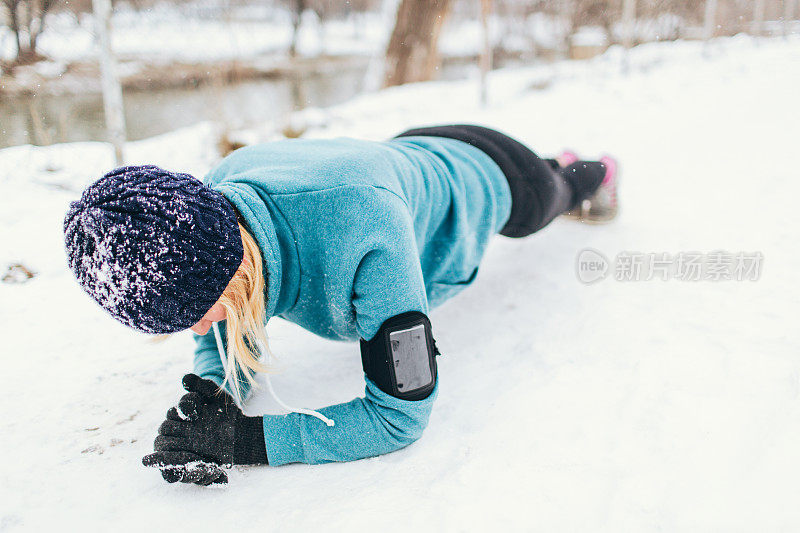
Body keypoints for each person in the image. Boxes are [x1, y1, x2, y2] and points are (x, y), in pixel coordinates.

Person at [63, 124, 618, 486]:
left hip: (495, 178)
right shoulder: (211, 209)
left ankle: (591, 172)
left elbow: (400, 417)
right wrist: (218, 387)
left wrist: (249, 441)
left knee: (560, 192)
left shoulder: (364, 232)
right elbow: (224, 316)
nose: (200, 328)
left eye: (199, 311)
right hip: (400, 158)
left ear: (230, 264)